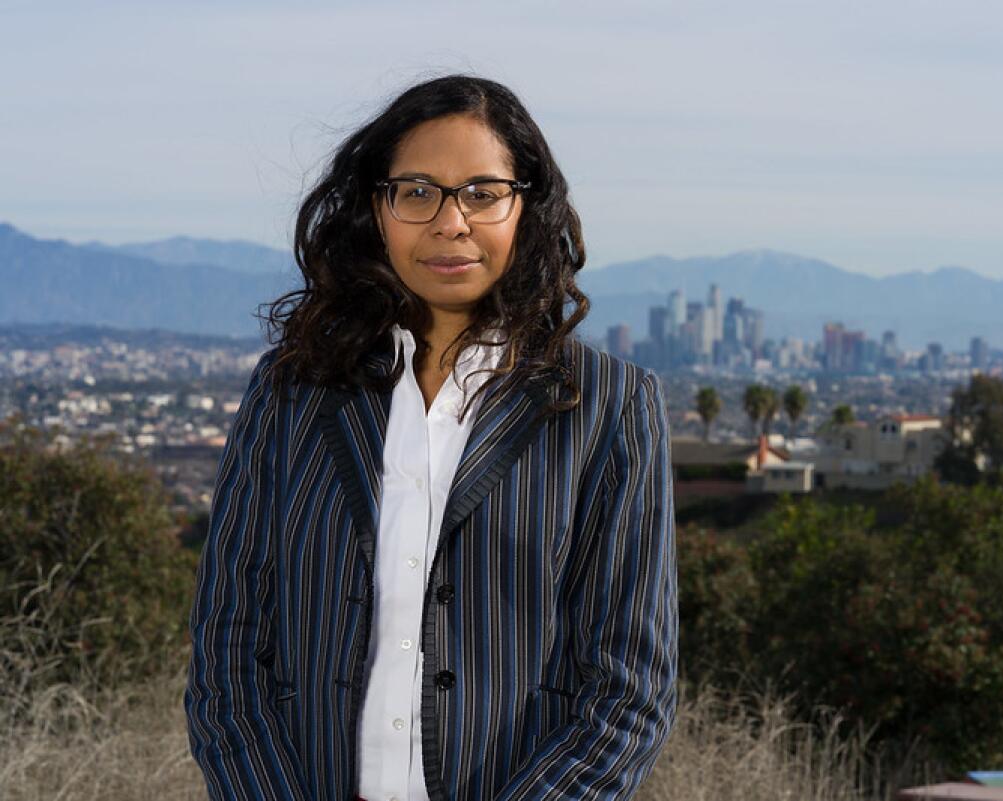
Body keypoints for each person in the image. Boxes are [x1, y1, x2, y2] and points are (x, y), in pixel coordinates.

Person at [183, 74, 678, 801]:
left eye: (483, 192)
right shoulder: (293, 387)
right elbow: (228, 649)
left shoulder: (609, 405)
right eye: (417, 192)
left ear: (527, 208)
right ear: (375, 209)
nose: (452, 223)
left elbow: (629, 688)